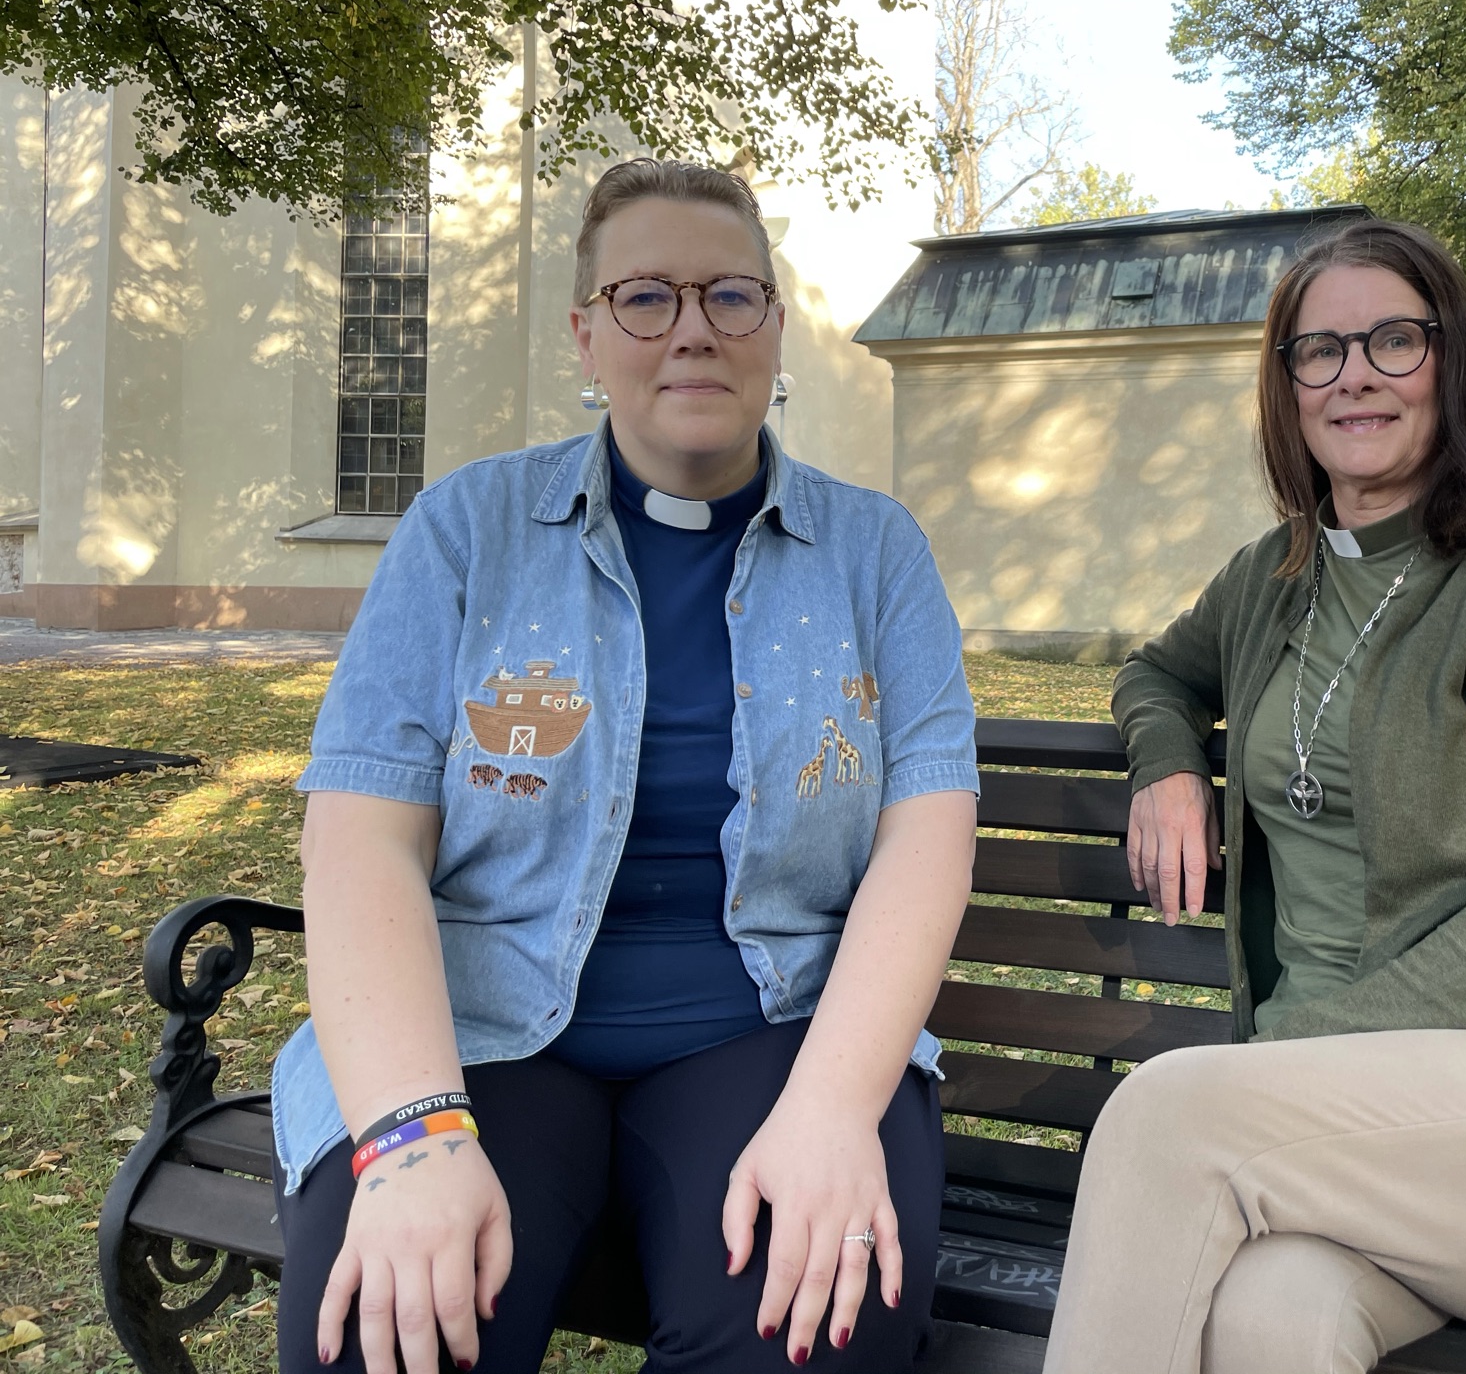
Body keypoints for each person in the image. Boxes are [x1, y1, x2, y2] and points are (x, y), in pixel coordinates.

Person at [272, 159, 980, 1374]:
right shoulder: (466, 531)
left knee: (807, 1333)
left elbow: (925, 832)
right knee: (383, 1342)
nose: (692, 331)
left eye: (730, 297)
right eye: (646, 298)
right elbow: (359, 840)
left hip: (771, 1034)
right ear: (588, 335)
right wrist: (412, 1136)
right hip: (481, 1030)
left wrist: (827, 1110)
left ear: (773, 324)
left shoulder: (875, 552)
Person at [1041, 219, 1466, 1374]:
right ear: (1288, 390)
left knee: (1169, 1114)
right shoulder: (1275, 576)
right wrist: (1165, 761)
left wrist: (1282, 1052)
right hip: (1357, 1148)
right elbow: (1156, 671)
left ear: (1449, 364)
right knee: (1274, 1315)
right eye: (1318, 351)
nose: (1352, 372)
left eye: (1391, 341)